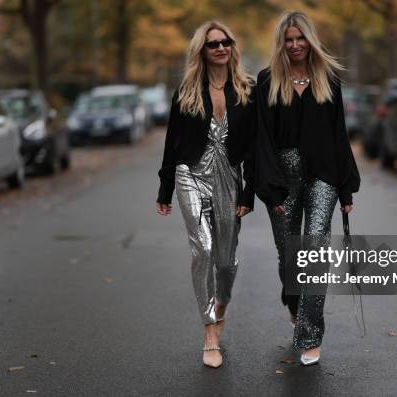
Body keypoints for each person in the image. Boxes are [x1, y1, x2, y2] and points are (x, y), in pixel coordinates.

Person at [254, 11, 360, 366]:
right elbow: (263, 140)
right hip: (282, 179)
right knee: (290, 261)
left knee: (313, 249)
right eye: (289, 39)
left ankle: (310, 336)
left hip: (323, 176)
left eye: (301, 38)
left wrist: (345, 191)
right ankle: (296, 306)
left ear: (310, 40)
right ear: (282, 43)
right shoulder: (267, 81)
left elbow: (339, 135)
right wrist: (271, 189)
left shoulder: (328, 79)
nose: (296, 45)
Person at [156, 21, 255, 368]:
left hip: (228, 177)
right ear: (202, 50)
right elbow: (172, 142)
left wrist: (249, 192)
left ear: (232, 47)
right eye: (213, 44)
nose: (220, 48)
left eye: (225, 42)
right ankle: (210, 331)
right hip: (190, 175)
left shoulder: (246, 89)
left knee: (226, 262)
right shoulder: (186, 90)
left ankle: (221, 301)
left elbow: (255, 149)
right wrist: (165, 187)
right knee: (204, 249)